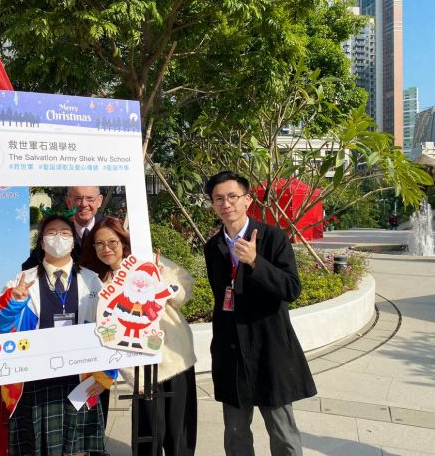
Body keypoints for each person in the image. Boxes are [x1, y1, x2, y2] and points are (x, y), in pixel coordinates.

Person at [203, 171, 316, 456]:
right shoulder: (213, 247)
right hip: (231, 349)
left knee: (282, 432)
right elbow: (221, 296)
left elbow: (291, 288)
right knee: (236, 433)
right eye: (219, 199)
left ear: (247, 200)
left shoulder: (273, 238)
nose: (226, 204)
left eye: (232, 196)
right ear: (213, 205)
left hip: (269, 346)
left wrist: (255, 262)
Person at [0, 215, 114, 456]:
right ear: (41, 242)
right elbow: (1, 330)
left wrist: (107, 375)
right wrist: (14, 302)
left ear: (73, 243)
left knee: (78, 451)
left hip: (79, 379)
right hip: (33, 381)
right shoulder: (21, 282)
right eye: (51, 232)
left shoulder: (92, 281)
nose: (58, 238)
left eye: (65, 233)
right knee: (35, 448)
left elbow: (109, 329)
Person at [80, 216, 198, 456]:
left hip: (175, 358)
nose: (106, 248)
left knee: (180, 435)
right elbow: (106, 333)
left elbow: (184, 289)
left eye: (112, 242)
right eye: (99, 244)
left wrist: (162, 281)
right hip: (141, 371)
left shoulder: (147, 262)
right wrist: (129, 374)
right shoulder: (99, 283)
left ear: (123, 242)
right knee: (147, 436)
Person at [22, 186, 104, 270]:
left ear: (99, 201)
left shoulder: (108, 228)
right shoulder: (55, 231)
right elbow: (29, 267)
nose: (84, 204)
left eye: (90, 199)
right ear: (68, 202)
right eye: (78, 198)